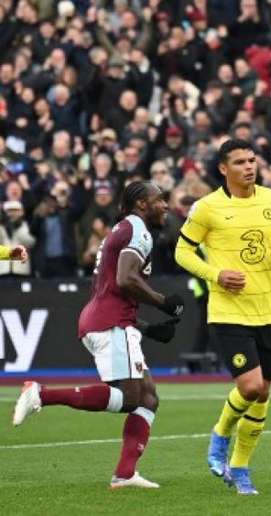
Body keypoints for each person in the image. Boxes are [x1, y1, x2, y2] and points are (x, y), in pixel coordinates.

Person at [12, 181, 185, 489]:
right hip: (111, 323)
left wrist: (146, 328)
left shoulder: (121, 229)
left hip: (108, 319)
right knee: (133, 398)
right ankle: (41, 394)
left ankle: (125, 473)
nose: (165, 206)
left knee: (149, 398)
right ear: (142, 204)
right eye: (160, 200)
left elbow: (112, 287)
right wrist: (164, 303)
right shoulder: (138, 231)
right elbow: (125, 278)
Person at [174, 139, 271, 495]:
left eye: (252, 160)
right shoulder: (207, 208)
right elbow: (182, 252)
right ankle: (220, 435)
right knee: (250, 385)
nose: (249, 166)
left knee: (263, 394)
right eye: (241, 162)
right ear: (223, 169)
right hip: (228, 311)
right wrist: (216, 274)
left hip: (268, 309)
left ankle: (241, 467)